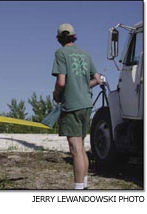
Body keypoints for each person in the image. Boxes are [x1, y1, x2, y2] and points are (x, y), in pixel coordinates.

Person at [52, 23, 103, 189]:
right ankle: (84, 185)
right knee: (81, 147)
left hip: (72, 105)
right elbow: (98, 78)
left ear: (59, 38)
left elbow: (61, 81)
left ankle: (78, 190)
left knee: (75, 149)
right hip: (86, 104)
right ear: (74, 36)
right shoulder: (85, 54)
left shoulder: (61, 53)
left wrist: (56, 95)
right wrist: (83, 86)